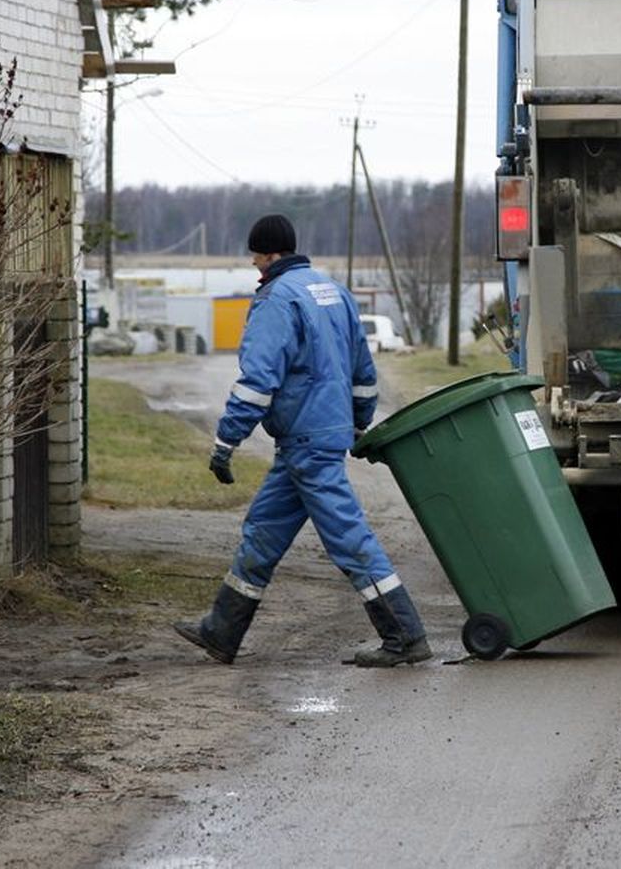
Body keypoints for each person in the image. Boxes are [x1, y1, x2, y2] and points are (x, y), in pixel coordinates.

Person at [173, 214, 433, 668]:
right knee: (262, 531)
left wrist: (226, 441)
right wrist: (356, 423)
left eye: (256, 255)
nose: (254, 265)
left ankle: (405, 635)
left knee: (349, 538)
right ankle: (221, 631)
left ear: (271, 254)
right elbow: (363, 373)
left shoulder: (276, 301)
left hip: (306, 441)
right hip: (315, 438)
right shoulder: (333, 291)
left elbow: (257, 382)